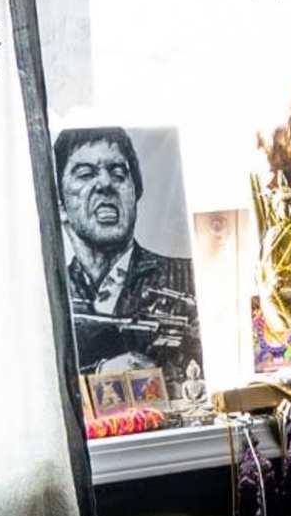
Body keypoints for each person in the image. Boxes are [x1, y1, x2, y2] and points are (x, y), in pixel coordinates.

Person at [55, 124, 205, 396]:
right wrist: (101, 374)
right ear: (60, 205)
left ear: (135, 192)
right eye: (85, 174)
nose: (105, 184)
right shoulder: (51, 297)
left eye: (118, 173)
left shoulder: (188, 277)